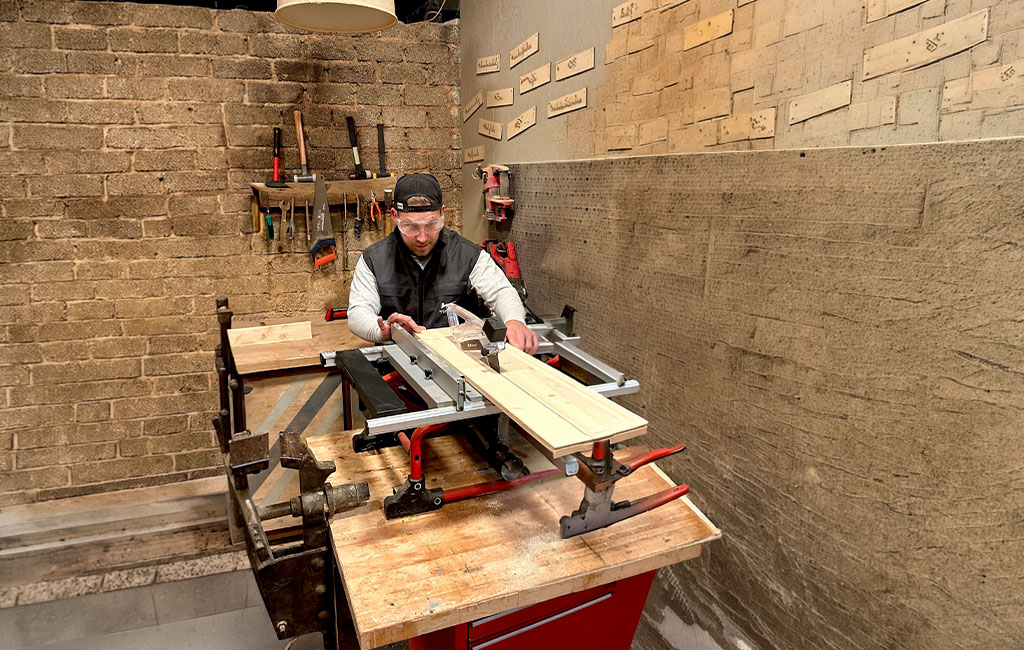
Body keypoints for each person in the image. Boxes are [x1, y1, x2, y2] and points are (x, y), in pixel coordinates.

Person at [347, 173, 539, 353]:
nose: (422, 237)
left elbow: (501, 291)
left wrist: (514, 321)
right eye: (411, 226)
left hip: (460, 365)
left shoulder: (467, 255)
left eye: (432, 225)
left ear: (443, 214)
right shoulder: (373, 260)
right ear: (395, 217)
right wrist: (383, 331)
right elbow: (358, 312)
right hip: (399, 362)